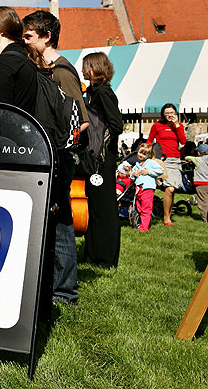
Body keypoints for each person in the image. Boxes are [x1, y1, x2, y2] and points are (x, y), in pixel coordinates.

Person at [23, 10, 90, 304]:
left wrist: (60, 148)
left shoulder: (62, 71)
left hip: (60, 156)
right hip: (52, 154)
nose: (23, 42)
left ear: (46, 36)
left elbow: (81, 119)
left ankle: (64, 291)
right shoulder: (45, 69)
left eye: (28, 36)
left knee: (61, 220)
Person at [81, 52, 123, 268]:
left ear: (95, 68)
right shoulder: (91, 92)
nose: (82, 68)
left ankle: (105, 258)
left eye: (86, 65)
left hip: (103, 159)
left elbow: (117, 125)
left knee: (104, 209)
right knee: (95, 207)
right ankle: (93, 254)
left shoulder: (103, 93)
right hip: (95, 157)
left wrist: (101, 144)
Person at [0, 6, 38, 115]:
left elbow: (2, 114)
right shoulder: (25, 56)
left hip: (16, 130)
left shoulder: (3, 63)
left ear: (2, 28)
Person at [147, 103, 186, 226]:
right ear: (163, 114)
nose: (170, 115)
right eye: (167, 113)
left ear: (176, 114)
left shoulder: (178, 126)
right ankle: (166, 217)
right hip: (163, 160)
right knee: (169, 188)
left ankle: (168, 214)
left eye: (172, 113)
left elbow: (183, 141)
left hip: (176, 159)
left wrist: (177, 125)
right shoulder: (157, 126)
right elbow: (149, 140)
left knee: (173, 189)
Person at [130, 143, 164, 232]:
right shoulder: (137, 165)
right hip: (138, 189)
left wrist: (149, 171)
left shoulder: (151, 163)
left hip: (147, 188)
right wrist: (133, 174)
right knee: (139, 207)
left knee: (146, 207)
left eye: (144, 154)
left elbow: (160, 170)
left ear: (148, 155)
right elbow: (131, 176)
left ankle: (144, 227)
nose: (141, 155)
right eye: (140, 153)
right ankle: (143, 221)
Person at [184, 150, 208, 223]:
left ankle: (205, 219)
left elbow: (186, 157)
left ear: (199, 153)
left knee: (203, 202)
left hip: (201, 183)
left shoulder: (198, 159)